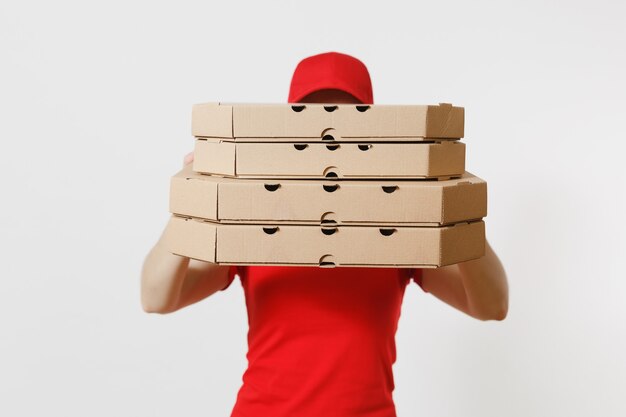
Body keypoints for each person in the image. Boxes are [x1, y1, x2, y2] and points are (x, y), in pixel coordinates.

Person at [141, 51, 509, 417]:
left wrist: (459, 205)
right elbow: (156, 297)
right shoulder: (255, 216)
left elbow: (491, 307)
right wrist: (194, 199)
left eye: (347, 122)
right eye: (313, 120)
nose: (329, 138)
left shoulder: (398, 221)